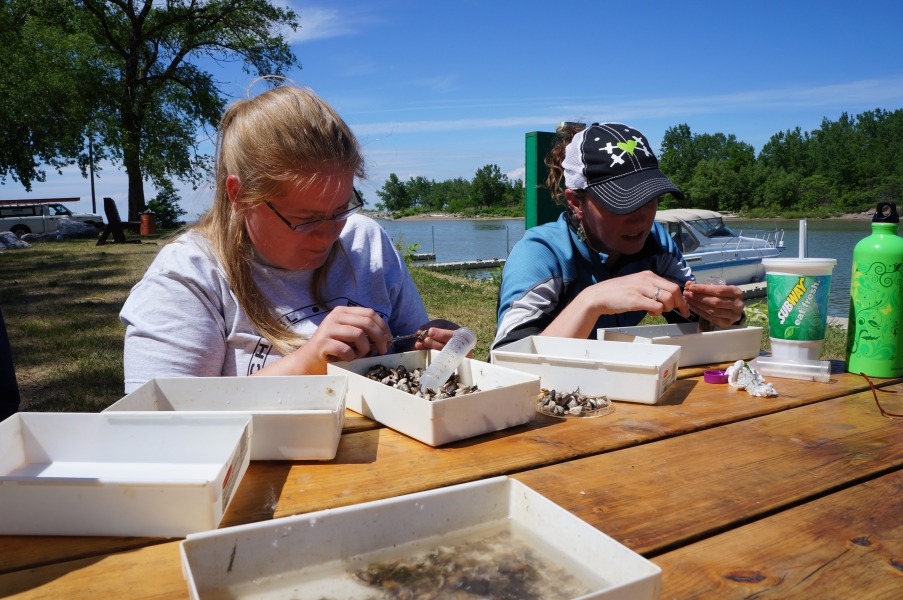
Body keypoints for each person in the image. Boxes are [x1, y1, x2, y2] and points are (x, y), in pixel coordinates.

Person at [121, 85, 457, 394]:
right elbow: (157, 419)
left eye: (341, 209)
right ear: (240, 196)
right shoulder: (189, 276)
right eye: (306, 218)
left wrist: (429, 348)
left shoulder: (365, 242)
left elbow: (405, 357)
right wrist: (304, 364)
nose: (330, 234)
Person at [493, 122, 744, 350]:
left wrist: (724, 315)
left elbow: (695, 322)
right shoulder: (539, 254)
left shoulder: (657, 243)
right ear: (575, 203)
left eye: (648, 199)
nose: (640, 219)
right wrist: (591, 301)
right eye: (620, 203)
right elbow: (505, 359)